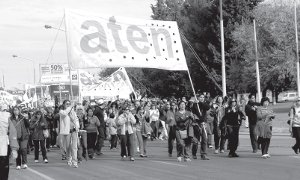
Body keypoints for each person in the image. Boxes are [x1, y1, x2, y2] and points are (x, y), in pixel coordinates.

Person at [59, 100, 80, 168]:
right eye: (67, 104)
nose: (68, 105)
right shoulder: (62, 111)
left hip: (74, 131)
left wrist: (77, 127)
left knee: (74, 147)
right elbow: (65, 113)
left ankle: (75, 161)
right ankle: (69, 158)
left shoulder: (72, 112)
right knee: (68, 147)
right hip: (67, 132)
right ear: (64, 105)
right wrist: (70, 106)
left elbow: (76, 120)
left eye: (69, 104)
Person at [0, 104, 18, 180]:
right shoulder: (6, 117)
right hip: (3, 146)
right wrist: (14, 149)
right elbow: (12, 133)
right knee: (3, 171)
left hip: (3, 144)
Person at [191, 94, 210, 160]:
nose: (202, 98)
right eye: (200, 97)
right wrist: (196, 103)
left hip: (203, 123)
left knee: (204, 139)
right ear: (198, 98)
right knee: (196, 140)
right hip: (197, 123)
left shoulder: (204, 104)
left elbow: (208, 107)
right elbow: (193, 112)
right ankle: (194, 153)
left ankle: (203, 154)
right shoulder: (195, 104)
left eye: (203, 97)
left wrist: (201, 103)